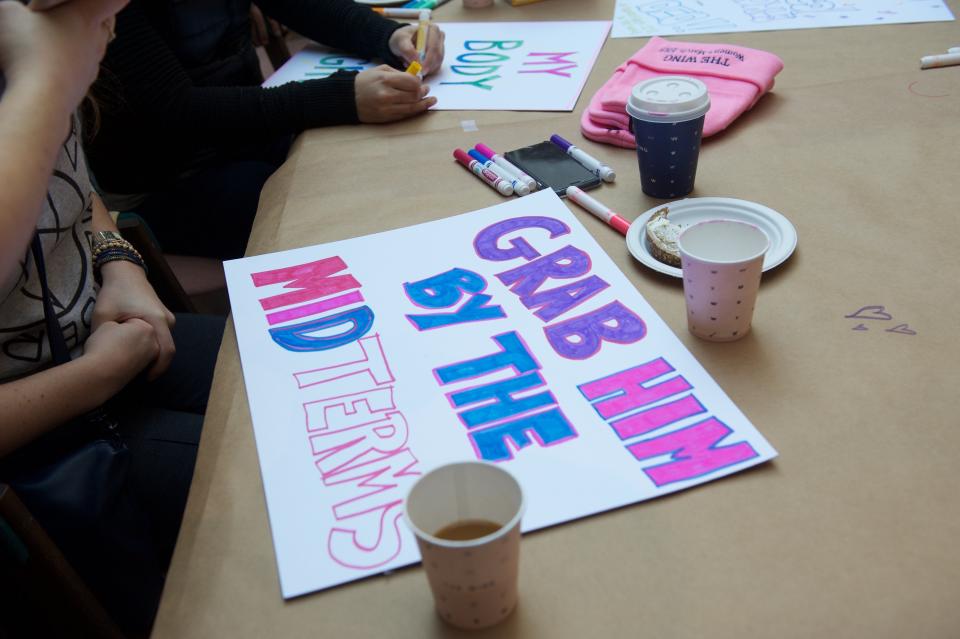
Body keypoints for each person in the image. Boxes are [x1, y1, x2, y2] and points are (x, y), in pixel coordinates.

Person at [0, 0, 225, 633]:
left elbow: (74, 185)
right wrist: (93, 379)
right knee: (272, 486)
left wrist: (120, 265)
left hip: (96, 345)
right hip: (36, 438)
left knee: (315, 374)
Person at [85, 0, 446, 260]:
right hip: (166, 182)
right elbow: (178, 110)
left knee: (383, 164)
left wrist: (389, 35)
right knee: (340, 207)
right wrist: (342, 97)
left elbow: (305, 7)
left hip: (247, 130)